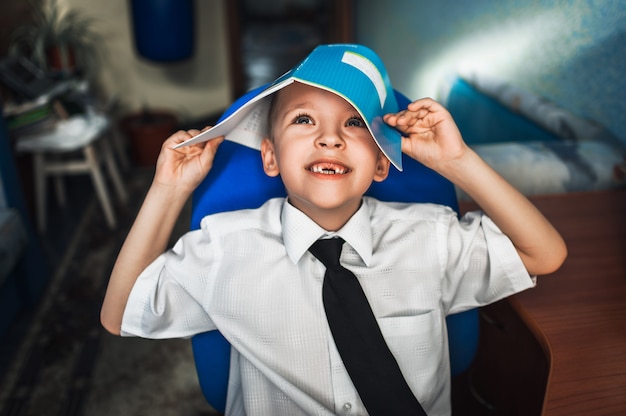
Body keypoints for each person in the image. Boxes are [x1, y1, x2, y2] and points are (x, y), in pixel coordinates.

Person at [101, 44, 566, 415]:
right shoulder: (226, 245)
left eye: (355, 123)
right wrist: (167, 188)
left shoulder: (430, 236)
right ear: (270, 156)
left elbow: (543, 254)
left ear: (383, 162)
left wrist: (457, 163)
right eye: (303, 119)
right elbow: (120, 315)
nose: (330, 137)